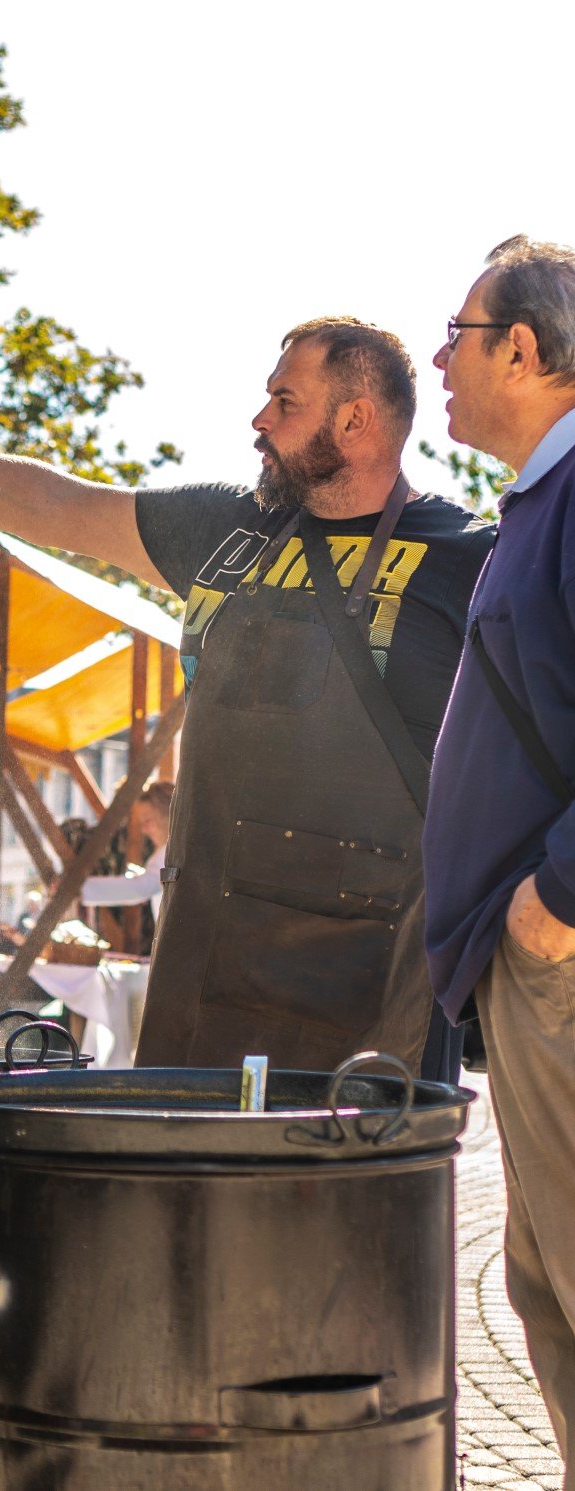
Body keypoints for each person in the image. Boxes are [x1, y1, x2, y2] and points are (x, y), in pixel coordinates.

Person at [0, 316, 492, 1079]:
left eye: (285, 402)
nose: (259, 420)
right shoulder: (229, 529)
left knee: (340, 1194)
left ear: (355, 419)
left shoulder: (468, 559)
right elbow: (62, 506)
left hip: (369, 979)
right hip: (205, 956)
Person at [423, 236, 575, 1472]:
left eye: (461, 335)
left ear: (522, 347)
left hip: (561, 957)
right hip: (533, 967)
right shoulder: (542, 500)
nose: (440, 360)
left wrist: (553, 899)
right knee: (549, 1297)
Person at [81, 779, 174, 916]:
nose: (144, 830)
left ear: (168, 815)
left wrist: (79, 889)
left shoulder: (168, 854)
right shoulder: (171, 852)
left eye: (148, 821)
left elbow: (140, 888)